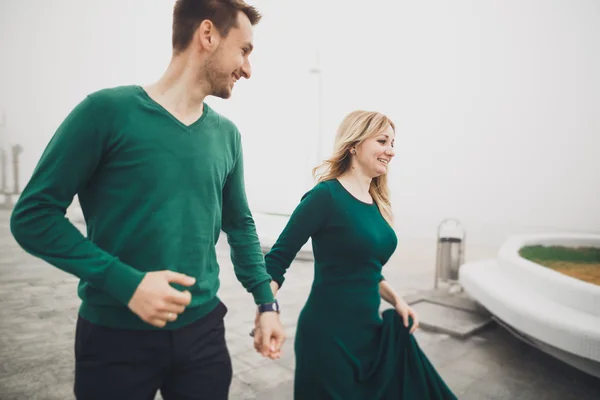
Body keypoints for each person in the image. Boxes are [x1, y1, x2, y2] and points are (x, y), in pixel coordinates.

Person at [10, 1, 285, 399]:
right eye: (244, 50)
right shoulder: (105, 112)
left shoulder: (227, 136)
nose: (248, 68)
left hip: (203, 335)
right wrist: (126, 282)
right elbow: (33, 216)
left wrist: (267, 305)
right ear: (207, 35)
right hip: (114, 339)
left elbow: (240, 224)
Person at [261, 110, 458, 399]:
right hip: (329, 339)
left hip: (370, 335)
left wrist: (398, 300)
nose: (390, 151)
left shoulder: (376, 204)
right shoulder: (324, 197)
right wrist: (267, 311)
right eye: (382, 141)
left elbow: (367, 269)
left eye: (393, 143)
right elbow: (276, 261)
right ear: (354, 144)